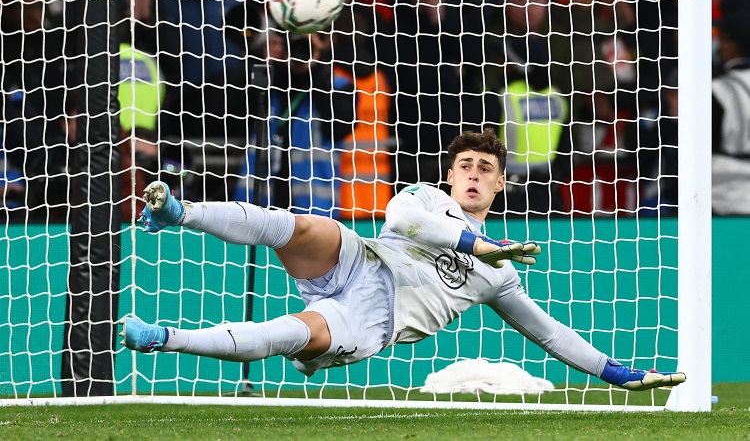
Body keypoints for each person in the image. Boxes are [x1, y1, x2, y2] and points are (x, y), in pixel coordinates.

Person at [120, 129, 685, 391]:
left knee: (286, 333)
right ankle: (181, 213)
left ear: (500, 185)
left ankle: (161, 338)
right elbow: (400, 222)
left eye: (485, 170)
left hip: (374, 320)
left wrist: (620, 373)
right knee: (300, 225)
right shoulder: (426, 199)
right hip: (360, 261)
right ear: (449, 174)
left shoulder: (501, 272)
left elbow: (551, 334)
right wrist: (476, 245)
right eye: (465, 164)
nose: (472, 174)